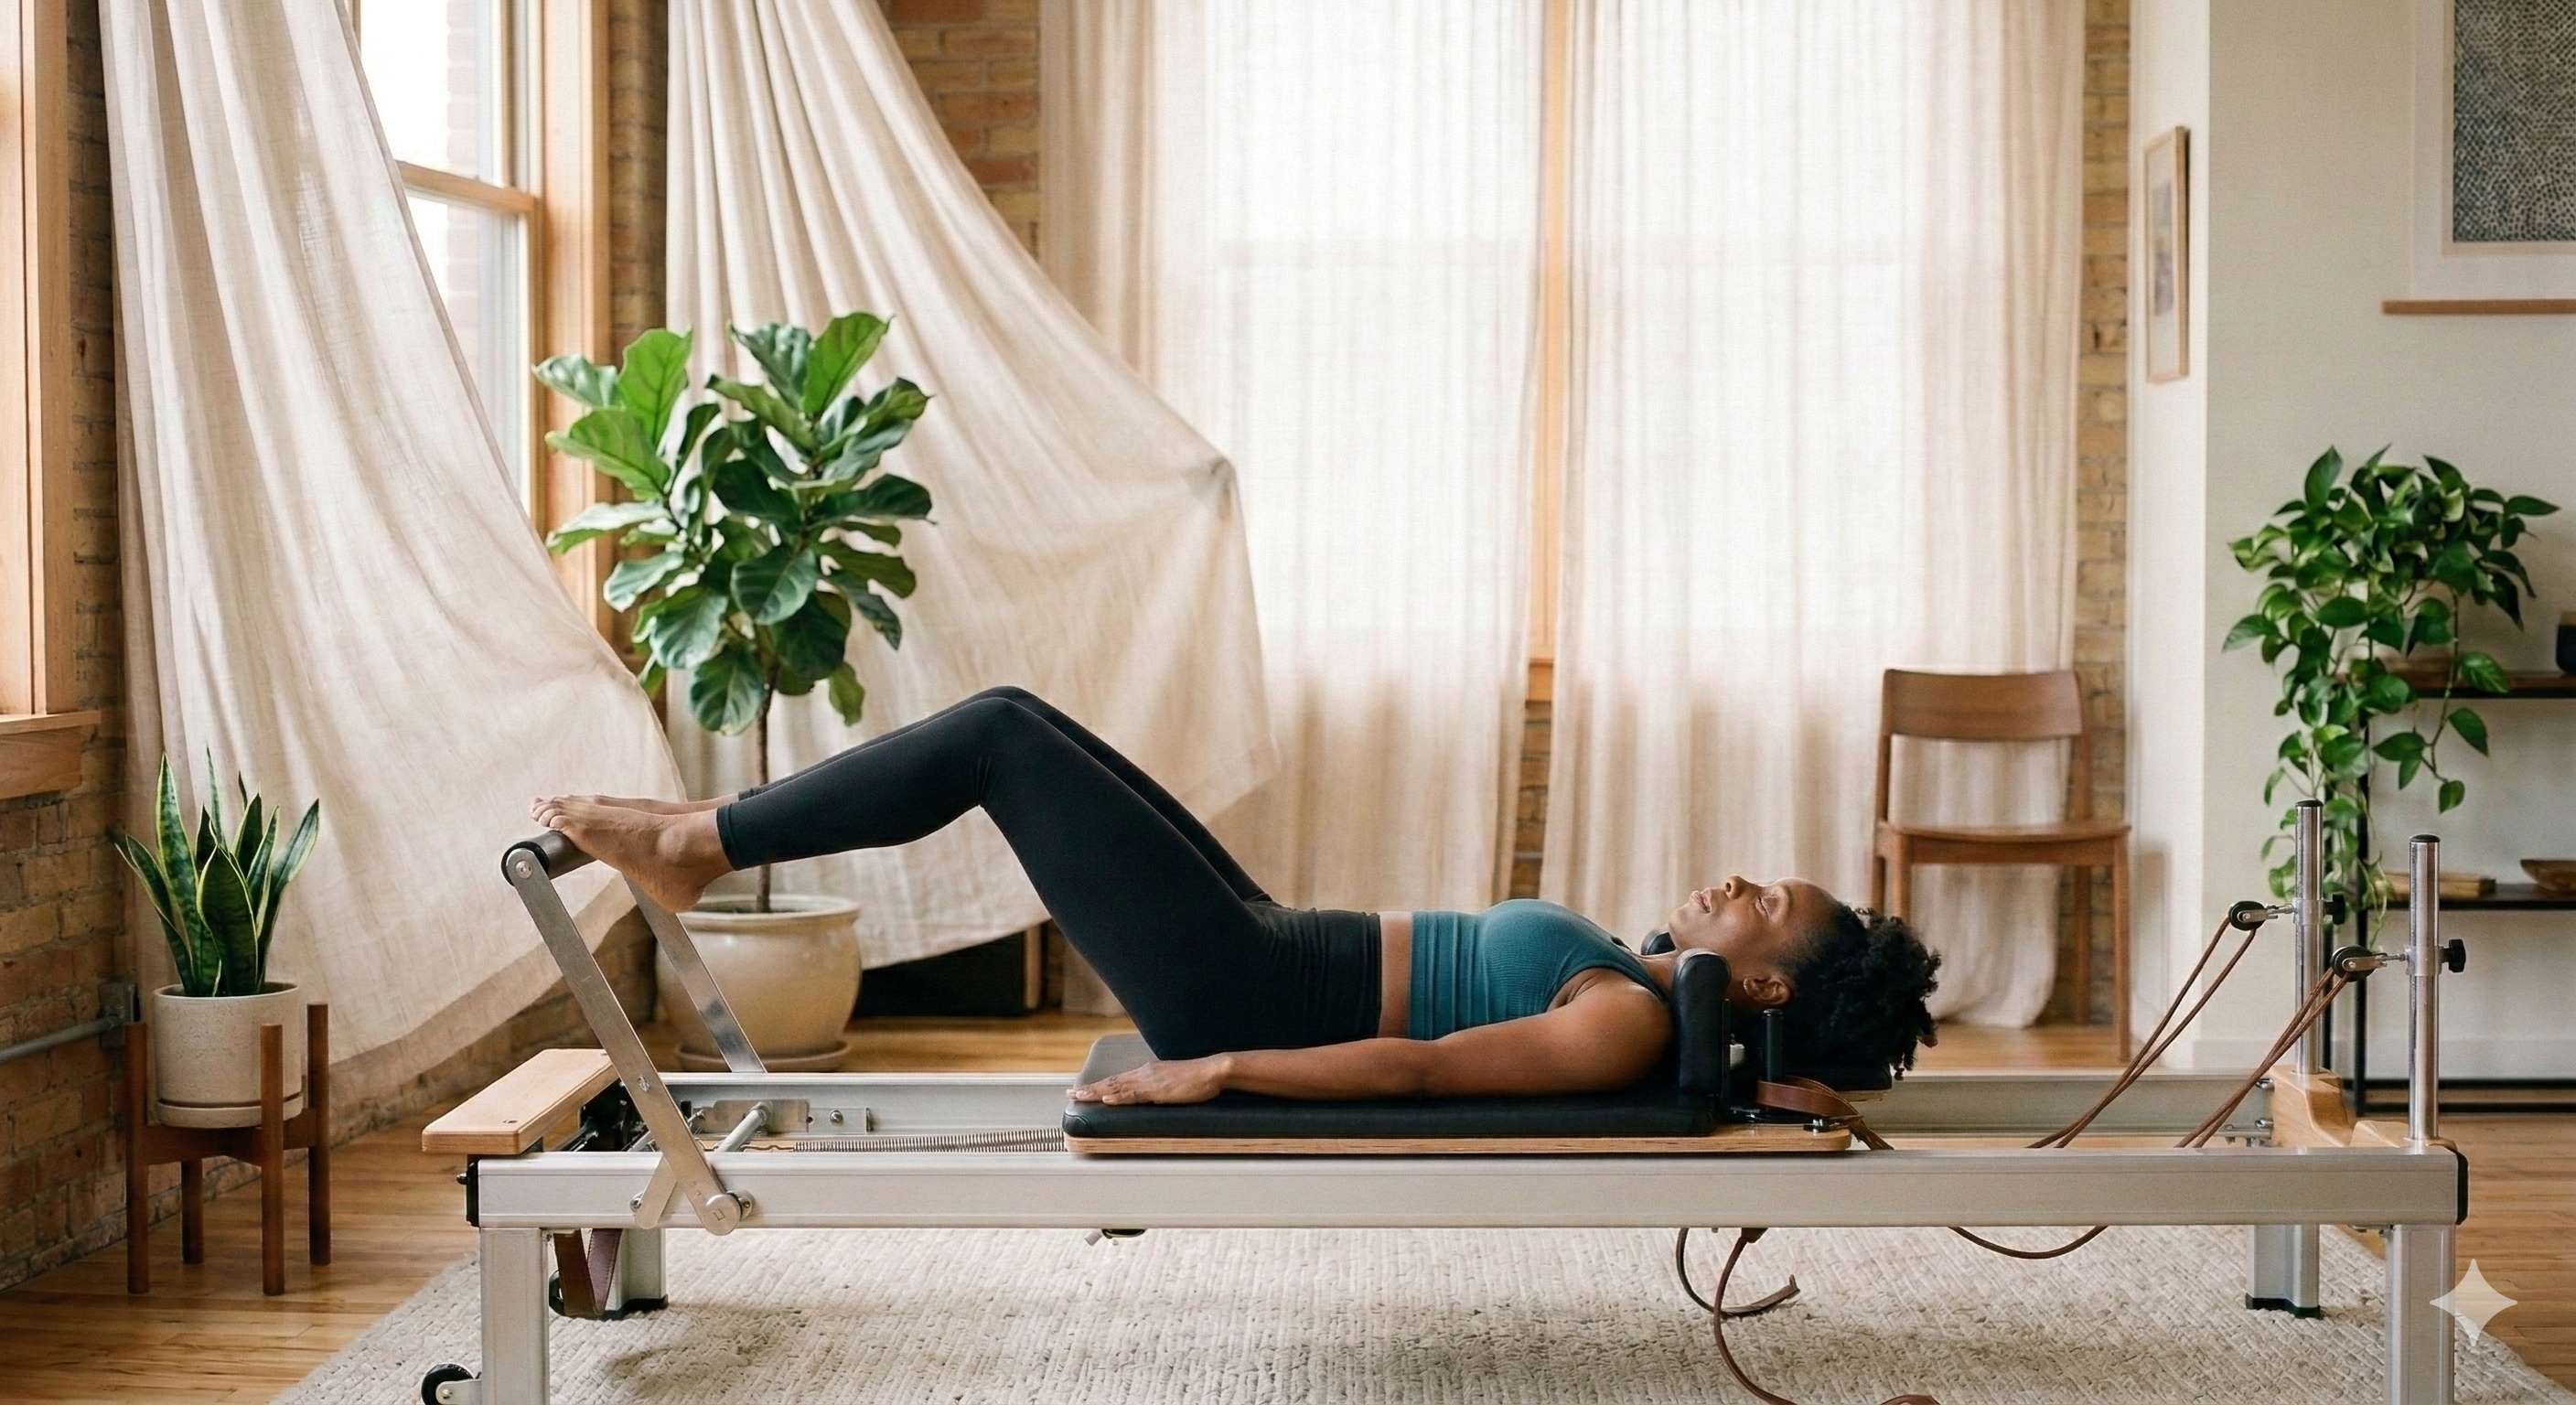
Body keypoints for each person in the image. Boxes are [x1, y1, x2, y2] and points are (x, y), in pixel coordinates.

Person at [533, 688, 1939, 1106]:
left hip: (1250, 987)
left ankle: (700, 844)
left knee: (999, 744)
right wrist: (1775, 1094)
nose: (1738, 883)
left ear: (1760, 982)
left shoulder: (1624, 1022)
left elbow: (1422, 1070)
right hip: (1271, 937)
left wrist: (1212, 1071)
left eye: (1768, 904)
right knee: (1028, 721)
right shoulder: (1641, 994)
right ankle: (692, 830)